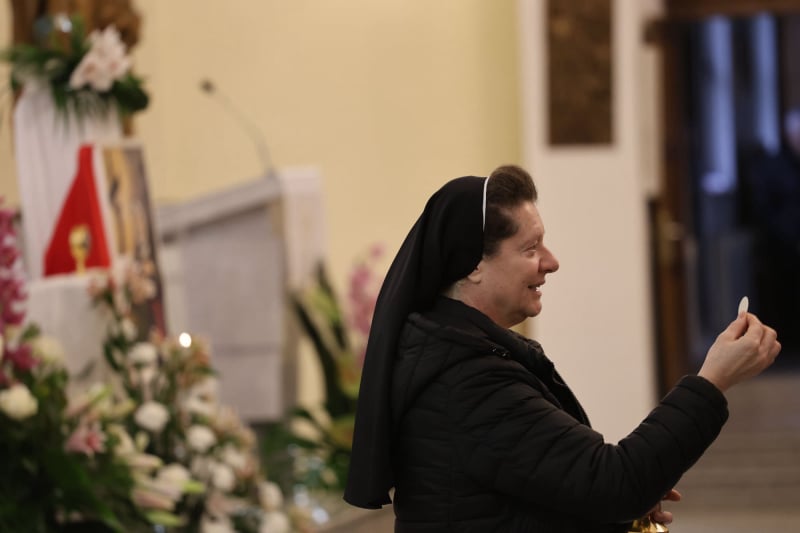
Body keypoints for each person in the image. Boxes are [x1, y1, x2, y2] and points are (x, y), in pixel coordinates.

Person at [344, 165, 781, 532]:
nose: (551, 262)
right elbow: (613, 483)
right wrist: (712, 381)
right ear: (474, 265)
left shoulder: (463, 355)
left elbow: (537, 492)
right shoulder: (468, 381)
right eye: (530, 248)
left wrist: (621, 503)